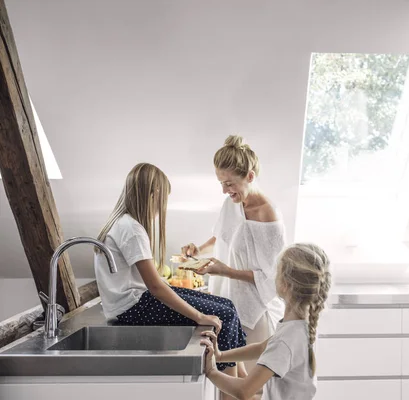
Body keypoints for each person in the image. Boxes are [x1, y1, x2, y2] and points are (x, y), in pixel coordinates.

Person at [93, 163, 246, 400]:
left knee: (227, 306)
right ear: (151, 194)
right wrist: (199, 317)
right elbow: (155, 287)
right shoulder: (131, 229)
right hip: (133, 309)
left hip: (134, 303)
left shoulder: (124, 223)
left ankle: (242, 386)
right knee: (223, 316)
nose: (162, 206)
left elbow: (154, 284)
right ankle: (234, 395)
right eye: (162, 198)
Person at [181, 135, 285, 371]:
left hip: (256, 311)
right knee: (230, 379)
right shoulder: (233, 203)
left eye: (229, 183)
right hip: (229, 303)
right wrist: (198, 249)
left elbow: (271, 276)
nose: (224, 190)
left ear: (249, 176)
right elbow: (223, 236)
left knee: (250, 385)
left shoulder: (268, 214)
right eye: (221, 183)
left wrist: (225, 271)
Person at [200, 243, 332, 400]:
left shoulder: (286, 341)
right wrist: (221, 356)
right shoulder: (301, 326)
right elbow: (262, 347)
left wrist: (211, 371)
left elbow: (244, 391)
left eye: (277, 272)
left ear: (285, 285)